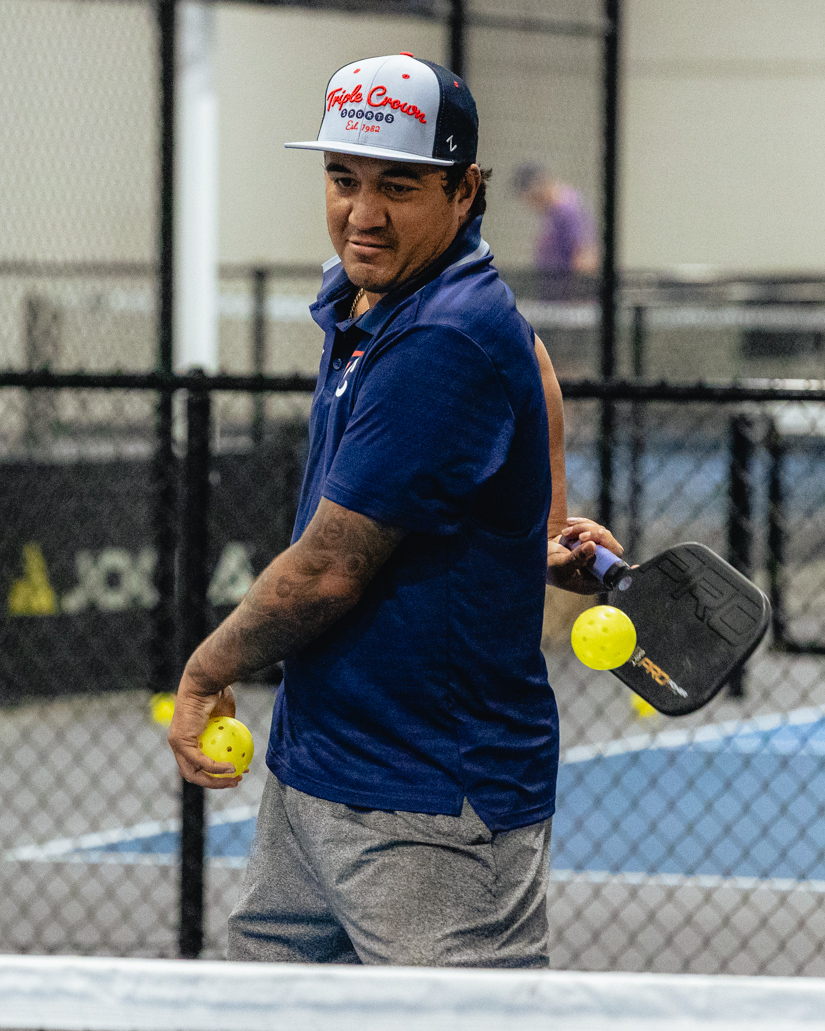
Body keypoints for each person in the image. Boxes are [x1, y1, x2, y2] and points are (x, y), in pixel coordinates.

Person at [168, 52, 622, 968]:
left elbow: (330, 566)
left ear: (465, 190)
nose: (361, 213)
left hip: (429, 808)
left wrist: (202, 671)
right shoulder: (372, 297)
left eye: (398, 186)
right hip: (315, 773)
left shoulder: (441, 336)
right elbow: (530, 357)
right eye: (343, 180)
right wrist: (534, 527)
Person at [513, 162, 599, 297]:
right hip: (554, 296)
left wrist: (572, 295)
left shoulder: (566, 210)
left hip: (567, 300)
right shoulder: (552, 212)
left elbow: (584, 256)